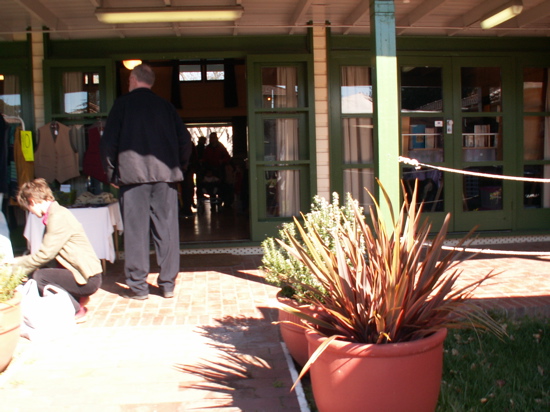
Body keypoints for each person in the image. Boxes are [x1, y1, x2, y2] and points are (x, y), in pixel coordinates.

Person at [100, 63, 192, 300]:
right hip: (165, 177)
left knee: (135, 232)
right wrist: (177, 167)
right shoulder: (166, 107)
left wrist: (113, 174)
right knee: (167, 230)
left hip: (132, 179)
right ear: (151, 82)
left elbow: (109, 144)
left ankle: (139, 286)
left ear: (132, 79)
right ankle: (168, 283)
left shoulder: (122, 105)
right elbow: (185, 141)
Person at [11, 178, 103, 323]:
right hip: (83, 274)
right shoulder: (56, 213)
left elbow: (45, 255)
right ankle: (77, 298)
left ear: (32, 201)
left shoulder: (57, 217)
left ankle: (76, 309)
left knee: (40, 276)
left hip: (87, 279)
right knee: (38, 273)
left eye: (29, 208)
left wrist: (14, 267)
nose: (31, 213)